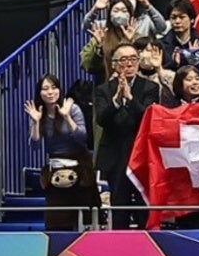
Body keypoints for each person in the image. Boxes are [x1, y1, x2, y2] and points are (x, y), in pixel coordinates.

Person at [93, 42, 159, 229]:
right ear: (114, 64)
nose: (129, 64)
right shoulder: (104, 89)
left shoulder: (150, 87)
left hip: (141, 154)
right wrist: (115, 101)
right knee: (119, 204)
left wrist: (130, 98)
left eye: (133, 59)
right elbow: (102, 120)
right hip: (115, 154)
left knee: (143, 204)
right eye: (123, 60)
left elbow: (149, 116)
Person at [25, 73, 97, 231]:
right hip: (56, 168)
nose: (50, 92)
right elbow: (35, 145)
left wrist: (66, 117)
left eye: (54, 87)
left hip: (80, 166)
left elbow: (82, 138)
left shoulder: (73, 108)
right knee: (56, 220)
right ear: (39, 93)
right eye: (45, 89)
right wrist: (36, 122)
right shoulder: (37, 112)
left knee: (85, 219)